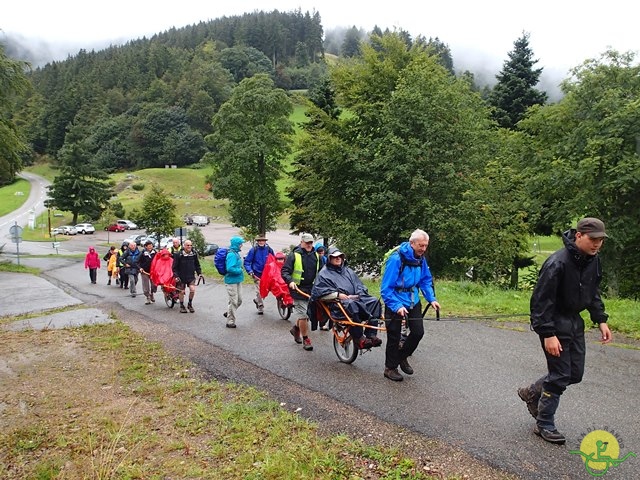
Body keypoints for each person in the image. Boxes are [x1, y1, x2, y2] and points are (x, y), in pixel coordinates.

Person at [518, 217, 612, 445]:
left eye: (601, 240)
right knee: (560, 375)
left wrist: (600, 319)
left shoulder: (593, 260)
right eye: (593, 239)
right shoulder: (557, 263)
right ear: (579, 235)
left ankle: (532, 391)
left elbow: (593, 292)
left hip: (574, 322)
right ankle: (544, 423)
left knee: (574, 374)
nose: (597, 244)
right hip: (553, 322)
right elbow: (540, 302)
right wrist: (548, 334)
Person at [380, 229, 441, 382]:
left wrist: (431, 298)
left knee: (418, 333)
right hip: (395, 299)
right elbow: (386, 289)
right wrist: (396, 306)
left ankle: (401, 357)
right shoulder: (396, 259)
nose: (424, 249)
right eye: (421, 245)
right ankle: (390, 368)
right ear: (412, 243)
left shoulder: (420, 258)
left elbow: (425, 280)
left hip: (413, 300)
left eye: (426, 245)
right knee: (394, 336)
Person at [311, 247, 382, 349]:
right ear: (329, 259)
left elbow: (359, 285)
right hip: (337, 304)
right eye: (335, 257)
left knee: (374, 301)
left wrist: (359, 293)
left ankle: (371, 334)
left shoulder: (348, 271)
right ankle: (359, 338)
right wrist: (338, 295)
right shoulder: (323, 274)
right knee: (351, 305)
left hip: (354, 299)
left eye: (340, 256)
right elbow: (319, 292)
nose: (338, 258)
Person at [281, 233, 322, 351]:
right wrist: (290, 281)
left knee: (307, 314)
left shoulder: (317, 256)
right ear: (302, 242)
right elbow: (285, 271)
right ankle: (306, 339)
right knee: (303, 314)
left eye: (311, 243)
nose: (309, 245)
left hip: (312, 289)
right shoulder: (294, 255)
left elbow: (323, 272)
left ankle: (295, 328)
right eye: (307, 242)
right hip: (297, 289)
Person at [244, 234, 274, 315]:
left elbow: (273, 260)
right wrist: (250, 271)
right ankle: (260, 306)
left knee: (265, 290)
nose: (261, 242)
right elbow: (247, 262)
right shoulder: (253, 250)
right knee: (259, 291)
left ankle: (257, 300)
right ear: (257, 242)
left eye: (263, 240)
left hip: (267, 274)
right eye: (259, 241)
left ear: (265, 241)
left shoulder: (269, 249)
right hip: (256, 274)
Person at [172, 240, 202, 313]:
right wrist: (176, 276)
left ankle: (189, 304)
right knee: (181, 292)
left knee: (192, 290)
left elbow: (197, 265)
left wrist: (199, 273)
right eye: (188, 245)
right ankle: (182, 306)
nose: (189, 247)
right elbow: (174, 267)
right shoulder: (178, 255)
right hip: (181, 276)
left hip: (190, 276)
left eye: (190, 245)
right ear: (184, 246)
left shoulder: (194, 254)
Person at [223, 235, 245, 327]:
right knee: (234, 301)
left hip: (238, 280)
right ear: (236, 244)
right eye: (240, 244)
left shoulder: (236, 253)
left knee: (239, 300)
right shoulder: (231, 254)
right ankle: (230, 321)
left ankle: (229, 312)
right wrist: (240, 270)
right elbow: (230, 268)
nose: (241, 245)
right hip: (231, 281)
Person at [138, 240, 157, 305]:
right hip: (144, 271)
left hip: (153, 271)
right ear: (145, 246)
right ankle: (148, 297)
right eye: (149, 246)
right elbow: (136, 261)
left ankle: (152, 294)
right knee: (146, 285)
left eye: (151, 245)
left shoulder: (155, 252)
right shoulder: (142, 253)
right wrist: (140, 268)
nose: (150, 247)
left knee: (154, 285)